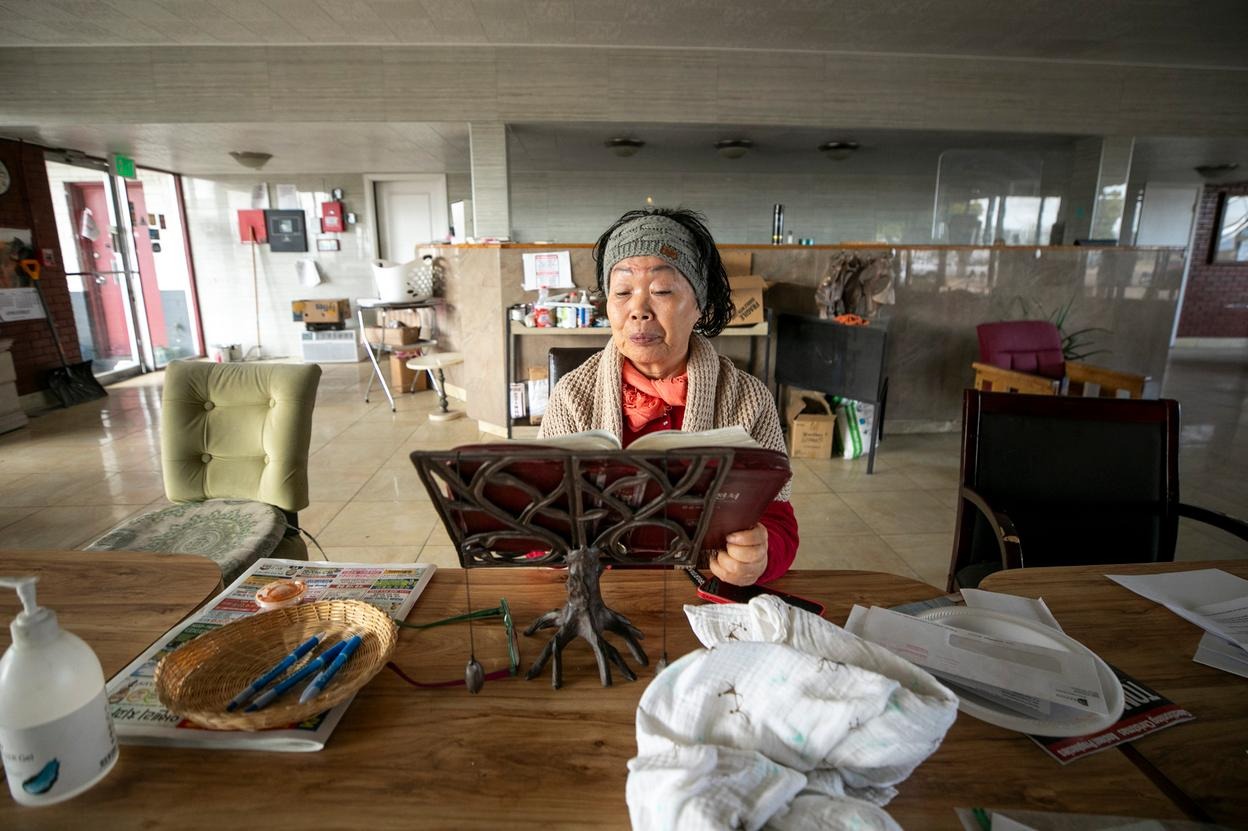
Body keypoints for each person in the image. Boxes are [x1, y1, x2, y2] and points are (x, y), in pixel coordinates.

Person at [538, 208, 798, 586]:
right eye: (622, 292)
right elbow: (539, 524)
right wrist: (542, 542)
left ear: (700, 305)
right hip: (604, 593)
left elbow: (778, 520)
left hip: (700, 591)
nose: (639, 311)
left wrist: (760, 554)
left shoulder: (748, 400)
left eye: (661, 291)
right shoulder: (573, 399)